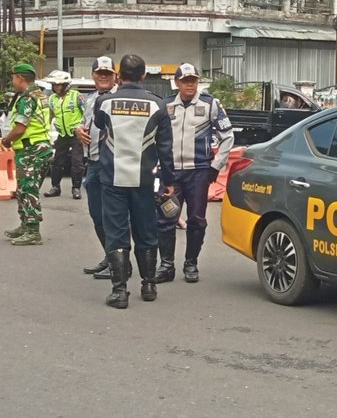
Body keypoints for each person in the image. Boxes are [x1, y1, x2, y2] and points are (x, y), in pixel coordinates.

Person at [93, 54, 175, 309]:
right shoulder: (158, 105)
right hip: (143, 179)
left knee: (116, 233)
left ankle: (119, 292)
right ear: (143, 75)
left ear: (119, 74)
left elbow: (98, 124)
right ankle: (148, 285)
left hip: (112, 178)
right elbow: (165, 148)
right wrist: (169, 181)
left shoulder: (104, 102)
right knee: (146, 231)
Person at [155, 62, 235, 284]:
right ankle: (166, 265)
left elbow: (228, 136)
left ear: (198, 82)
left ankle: (191, 263)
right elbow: (154, 137)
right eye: (185, 81)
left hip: (199, 172)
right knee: (166, 218)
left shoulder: (211, 104)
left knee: (197, 219)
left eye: (193, 80)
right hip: (171, 173)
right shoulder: (165, 105)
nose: (190, 84)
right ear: (177, 82)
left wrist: (216, 166)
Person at [0, 62, 54, 245]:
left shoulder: (27, 98)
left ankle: (32, 231)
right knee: (23, 188)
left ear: (20, 78)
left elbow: (20, 127)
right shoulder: (40, 95)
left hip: (32, 148)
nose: (12, 81)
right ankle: (25, 224)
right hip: (39, 147)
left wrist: (6, 140)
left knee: (28, 188)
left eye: (14, 77)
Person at [77, 56, 119, 279]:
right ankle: (110, 257)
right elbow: (86, 124)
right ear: (93, 75)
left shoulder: (121, 99)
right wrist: (78, 130)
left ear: (115, 76)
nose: (103, 77)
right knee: (97, 216)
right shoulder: (90, 99)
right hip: (92, 163)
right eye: (100, 73)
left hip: (113, 165)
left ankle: (120, 264)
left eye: (108, 73)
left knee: (114, 217)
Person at [44, 69, 86, 200]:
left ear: (66, 85)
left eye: (59, 85)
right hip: (62, 134)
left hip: (75, 134)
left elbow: (86, 113)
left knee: (77, 162)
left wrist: (81, 128)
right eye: (54, 85)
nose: (56, 87)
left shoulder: (76, 96)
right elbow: (51, 115)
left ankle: (76, 188)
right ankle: (55, 187)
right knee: (57, 161)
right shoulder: (52, 99)